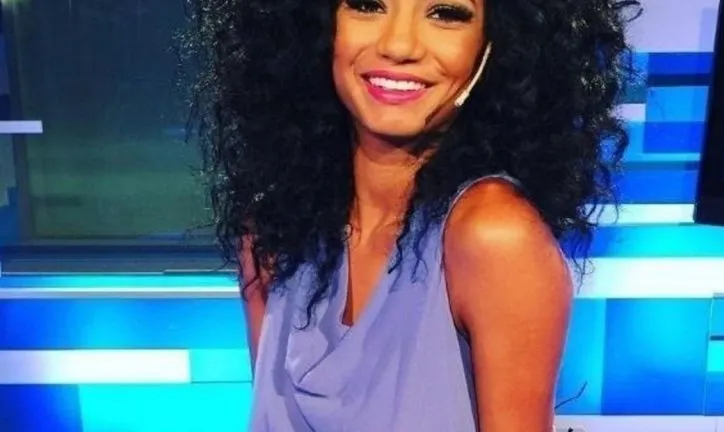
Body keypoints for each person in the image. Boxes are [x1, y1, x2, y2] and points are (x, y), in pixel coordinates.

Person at [188, 0, 638, 430]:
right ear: (317, 25)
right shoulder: (273, 228)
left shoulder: (494, 236)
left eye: (446, 13)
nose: (399, 45)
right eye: (367, 5)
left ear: (494, 45)